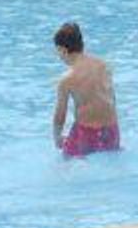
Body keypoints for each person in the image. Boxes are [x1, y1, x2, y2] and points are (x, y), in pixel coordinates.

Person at [51, 23, 119, 158]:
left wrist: (57, 137)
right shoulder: (104, 65)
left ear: (62, 50)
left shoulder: (67, 79)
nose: (59, 56)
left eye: (58, 52)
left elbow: (60, 116)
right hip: (111, 131)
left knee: (66, 165)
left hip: (86, 134)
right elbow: (112, 99)